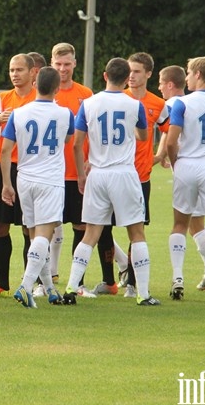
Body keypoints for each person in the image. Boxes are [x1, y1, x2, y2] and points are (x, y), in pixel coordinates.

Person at [61, 57, 160, 306]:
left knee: (90, 234)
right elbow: (143, 135)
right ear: (127, 78)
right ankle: (143, 294)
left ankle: (71, 287)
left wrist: (82, 176)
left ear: (104, 76)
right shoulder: (134, 104)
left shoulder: (89, 103)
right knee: (137, 233)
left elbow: (76, 143)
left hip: (98, 173)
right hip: (124, 173)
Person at [156, 65, 205, 295]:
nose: (187, 78)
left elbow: (171, 141)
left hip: (187, 164)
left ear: (198, 74)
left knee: (180, 224)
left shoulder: (183, 103)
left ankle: (177, 279)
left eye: (190, 73)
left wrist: (176, 163)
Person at [94, 52, 169, 297]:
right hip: (111, 173)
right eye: (130, 71)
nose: (132, 76)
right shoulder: (117, 98)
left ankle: (133, 283)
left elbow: (169, 129)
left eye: (137, 71)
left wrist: (160, 154)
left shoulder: (157, 104)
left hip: (139, 176)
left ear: (148, 74)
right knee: (101, 227)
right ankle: (109, 280)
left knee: (135, 229)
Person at [0, 67, 73, 308]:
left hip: (24, 179)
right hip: (49, 180)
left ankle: (50, 290)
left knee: (34, 236)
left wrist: (7, 184)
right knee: (45, 235)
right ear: (56, 88)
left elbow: (5, 151)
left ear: (35, 83)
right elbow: (67, 140)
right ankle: (26, 285)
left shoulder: (18, 113)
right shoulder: (65, 113)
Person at [0, 53, 37, 298]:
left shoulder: (39, 99)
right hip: (3, 168)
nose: (14, 74)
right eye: (12, 70)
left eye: (19, 70)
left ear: (32, 72)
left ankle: (30, 283)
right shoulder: (2, 99)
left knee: (28, 226)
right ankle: (1, 283)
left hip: (29, 168)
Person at [47, 43, 93, 298]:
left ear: (75, 63)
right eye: (58, 64)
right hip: (51, 173)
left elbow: (94, 132)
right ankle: (44, 281)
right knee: (45, 228)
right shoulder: (43, 93)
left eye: (67, 64)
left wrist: (91, 161)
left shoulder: (86, 95)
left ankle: (79, 283)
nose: (63, 69)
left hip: (77, 173)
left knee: (81, 227)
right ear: (51, 64)